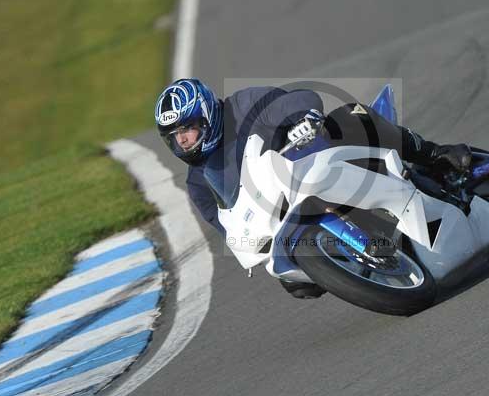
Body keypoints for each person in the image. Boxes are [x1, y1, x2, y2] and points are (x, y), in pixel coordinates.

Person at [154, 78, 471, 299]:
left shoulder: (242, 106)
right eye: (175, 136)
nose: (182, 140)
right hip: (285, 213)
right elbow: (225, 226)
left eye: (188, 129)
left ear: (207, 116)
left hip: (316, 159)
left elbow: (297, 99)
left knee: (351, 117)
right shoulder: (198, 182)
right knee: (299, 286)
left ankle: (433, 153)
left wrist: (302, 118)